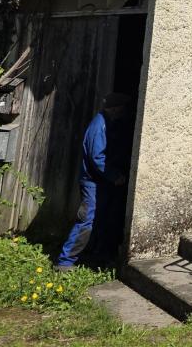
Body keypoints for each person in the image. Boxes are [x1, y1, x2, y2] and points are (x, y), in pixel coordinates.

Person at [55, 92, 132, 270]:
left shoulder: (109, 123)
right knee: (86, 219)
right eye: (123, 108)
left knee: (101, 219)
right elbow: (97, 157)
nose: (125, 112)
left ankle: (94, 255)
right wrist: (114, 176)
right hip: (93, 182)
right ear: (116, 108)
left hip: (102, 182)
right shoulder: (99, 126)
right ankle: (64, 263)